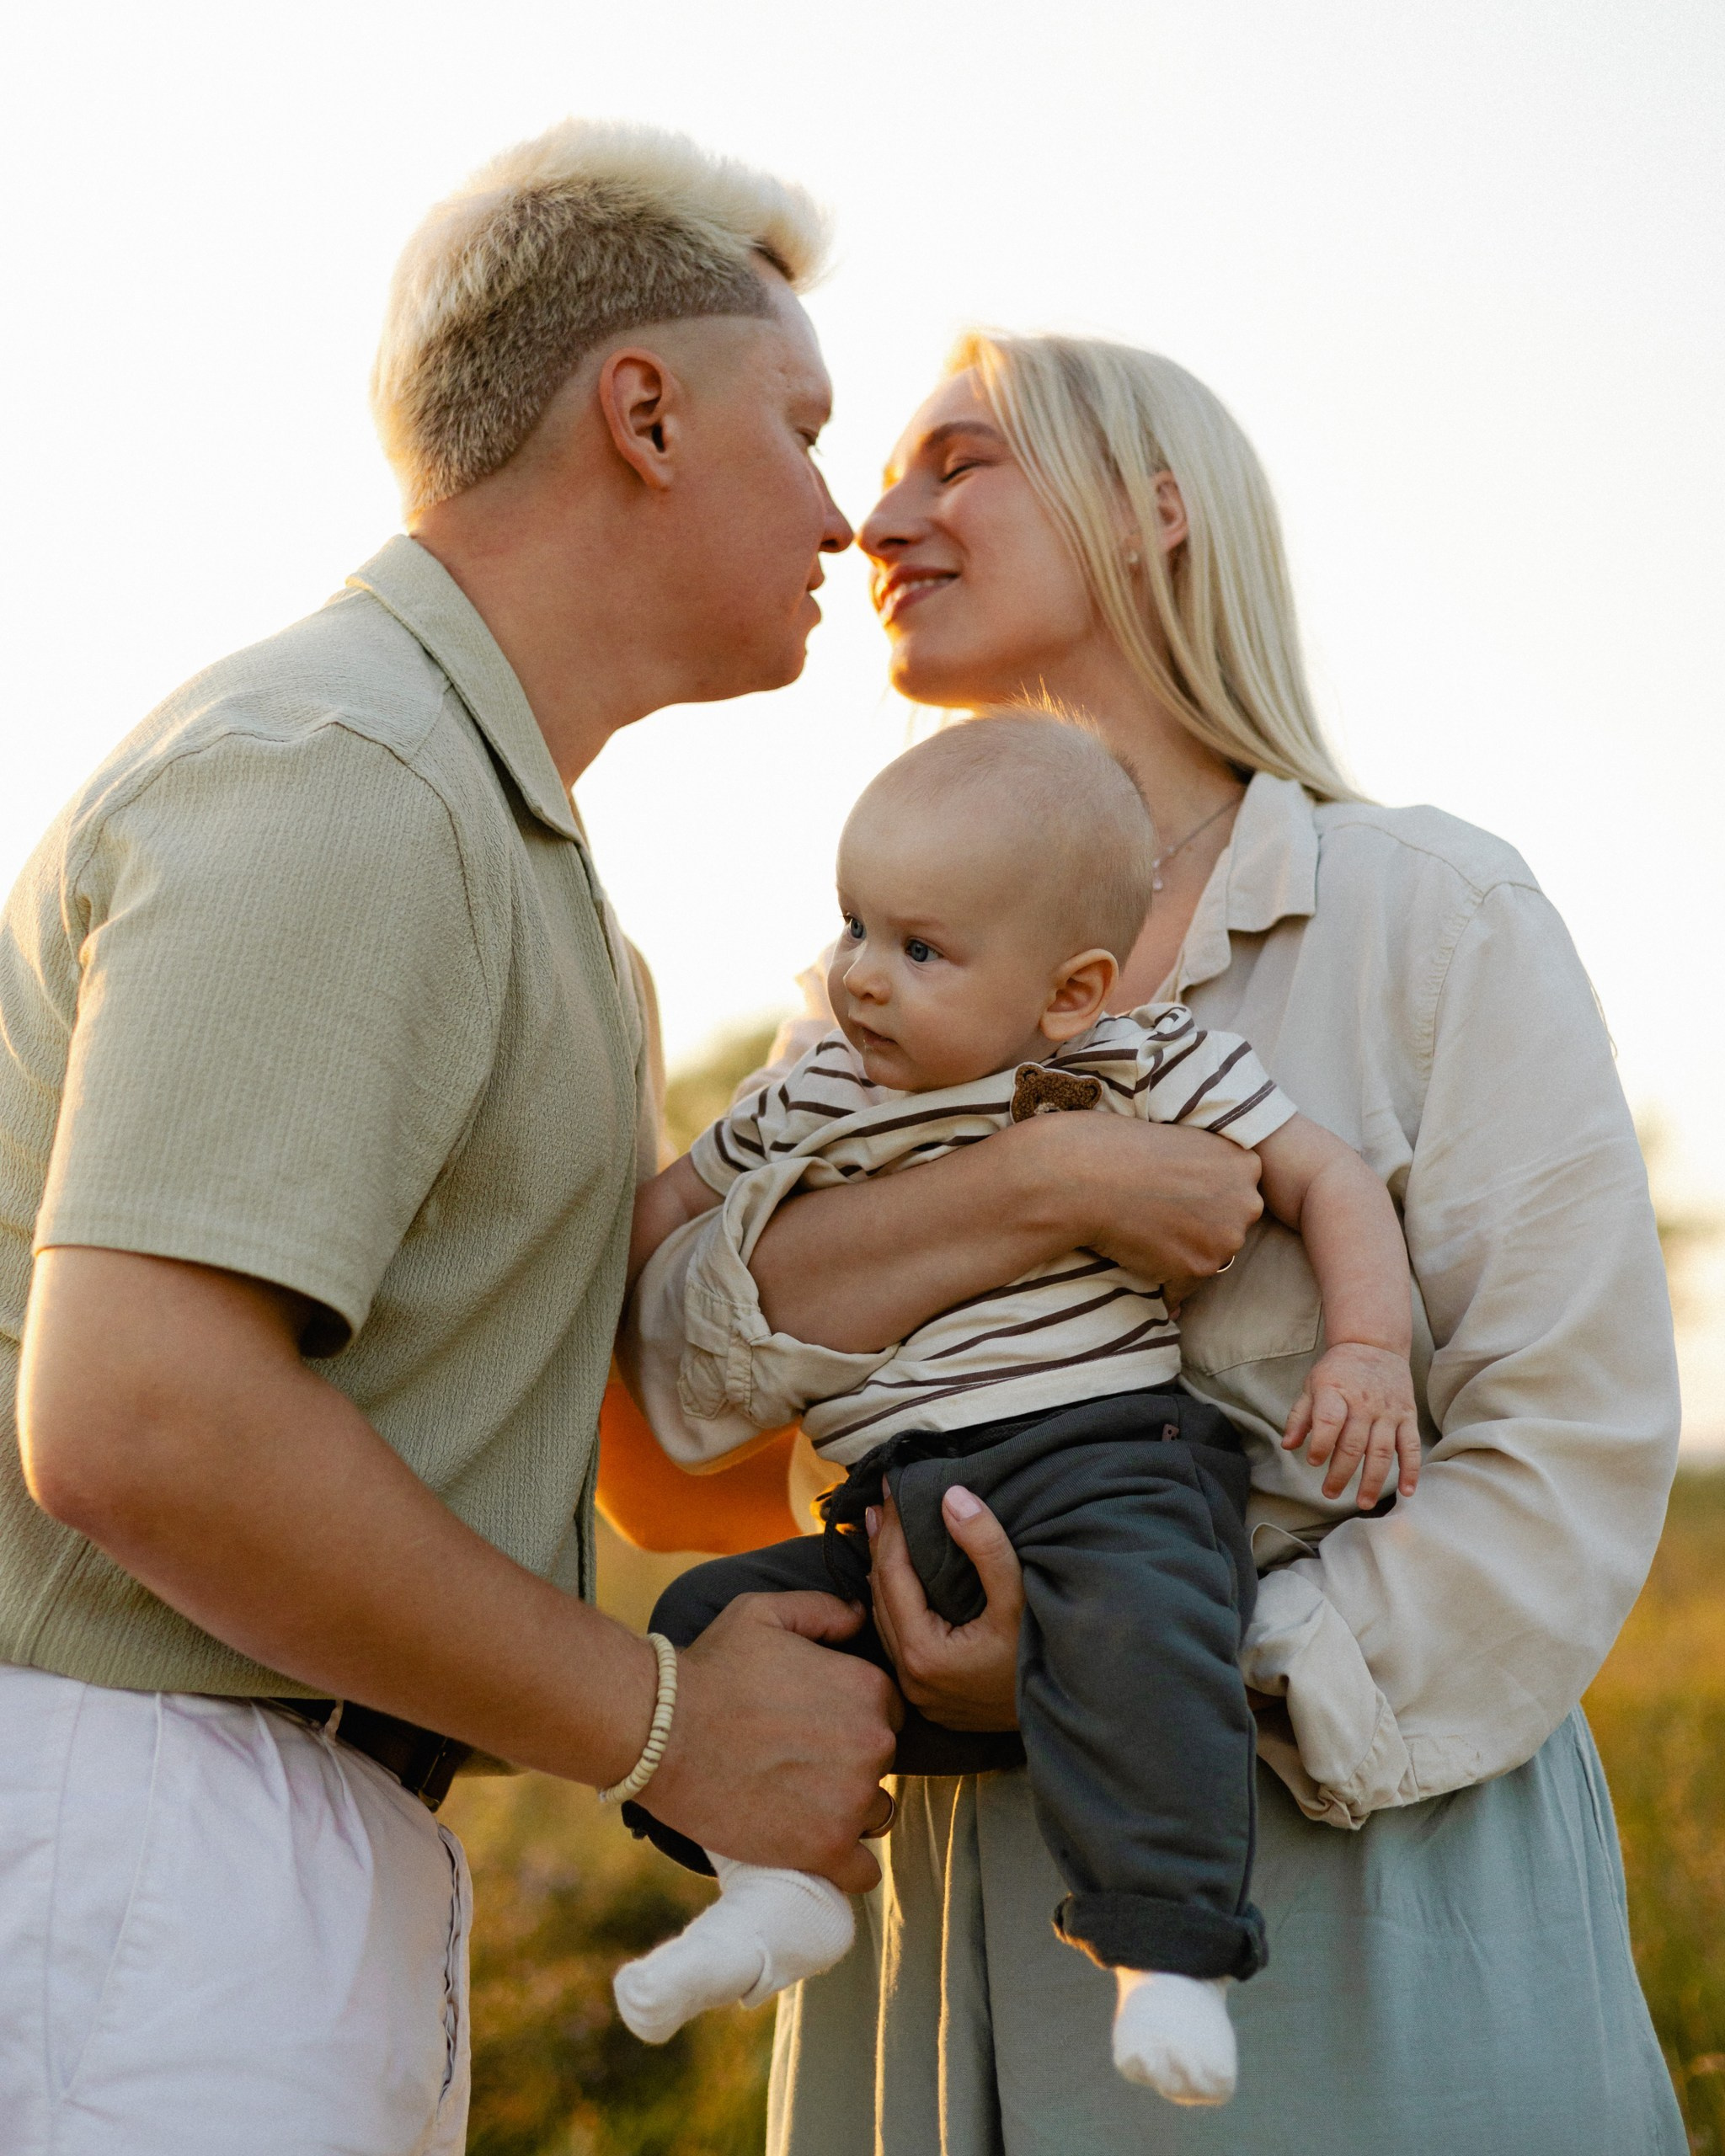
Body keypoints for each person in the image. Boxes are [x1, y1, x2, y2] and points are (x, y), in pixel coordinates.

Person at [625, 334, 1685, 2152]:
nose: (878, 517)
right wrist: (1038, 1187)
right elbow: (680, 1399)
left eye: (959, 461)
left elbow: (1567, 1461)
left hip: (1351, 1934)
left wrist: (1126, 1673)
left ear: (1154, 509)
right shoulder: (859, 1005)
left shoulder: (1429, 912)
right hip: (931, 1963)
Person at [0, 119, 902, 2156]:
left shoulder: (535, 880)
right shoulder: (344, 771)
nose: (842, 512)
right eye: (802, 428)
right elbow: (140, 1418)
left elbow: (638, 1455)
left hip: (298, 1841)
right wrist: (667, 1725)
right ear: (643, 415)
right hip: (152, 1817)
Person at [612, 713, 1421, 2106]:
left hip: (1100, 1462)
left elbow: (1325, 1177)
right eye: (855, 925)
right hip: (890, 1505)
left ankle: (1167, 1949)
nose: (863, 974)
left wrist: (1368, 1348)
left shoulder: (1129, 1063)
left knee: (1152, 1628)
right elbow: (661, 1225)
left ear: (1069, 992)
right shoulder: (814, 1089)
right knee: (705, 1627)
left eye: (921, 950)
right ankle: (778, 1884)